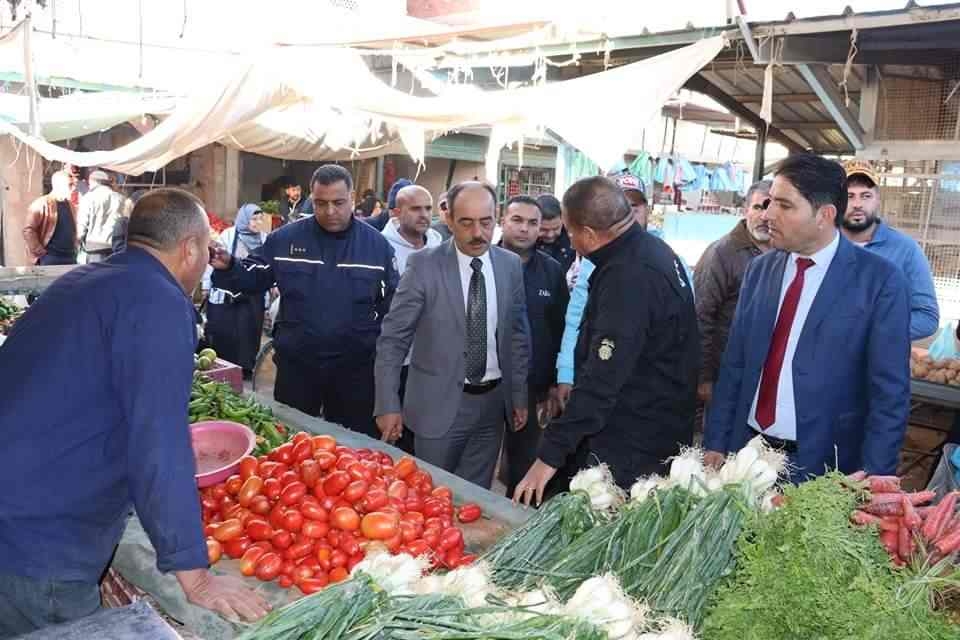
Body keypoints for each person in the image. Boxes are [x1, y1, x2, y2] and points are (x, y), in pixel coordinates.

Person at [0, 189, 269, 636]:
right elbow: (159, 445)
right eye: (205, 249)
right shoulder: (158, 303)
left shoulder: (80, 281)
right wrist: (195, 576)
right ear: (190, 249)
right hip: (42, 545)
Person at [703, 154, 911, 480]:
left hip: (824, 466)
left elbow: (889, 394)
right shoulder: (760, 270)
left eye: (785, 206)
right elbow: (735, 364)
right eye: (770, 202)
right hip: (747, 455)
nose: (769, 215)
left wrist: (876, 477)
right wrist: (716, 440)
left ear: (824, 216)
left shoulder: (879, 281)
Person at [515, 176, 699, 505]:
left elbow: (603, 379)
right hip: (658, 424)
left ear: (587, 233)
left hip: (635, 438)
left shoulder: (628, 275)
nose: (570, 243)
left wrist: (548, 458)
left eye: (570, 233)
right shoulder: (653, 250)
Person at [210, 165, 398, 439]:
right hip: (297, 369)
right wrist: (228, 267)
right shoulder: (285, 240)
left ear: (353, 198)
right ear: (312, 198)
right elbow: (253, 278)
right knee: (291, 442)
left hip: (354, 373)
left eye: (338, 202)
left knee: (351, 448)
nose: (330, 211)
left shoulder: (377, 247)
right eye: (321, 203)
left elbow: (390, 308)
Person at [374, 181, 530, 489]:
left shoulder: (509, 265)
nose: (477, 233)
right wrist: (387, 403)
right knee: (429, 498)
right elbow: (394, 339)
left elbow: (515, 336)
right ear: (448, 220)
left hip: (492, 407)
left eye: (485, 222)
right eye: (466, 223)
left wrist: (518, 395)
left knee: (475, 500)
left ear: (496, 216)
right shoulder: (423, 266)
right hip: (437, 407)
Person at [554, 173, 657, 408]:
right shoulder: (591, 261)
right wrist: (566, 373)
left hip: (641, 391)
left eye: (635, 206)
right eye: (622, 206)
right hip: (598, 377)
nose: (627, 213)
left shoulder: (664, 259)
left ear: (646, 210)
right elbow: (575, 318)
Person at [497, 195, 569, 497]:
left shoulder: (551, 271)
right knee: (477, 461)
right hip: (484, 382)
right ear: (503, 220)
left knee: (523, 462)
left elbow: (561, 329)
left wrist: (554, 382)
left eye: (532, 223)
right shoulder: (482, 262)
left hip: (532, 386)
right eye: (517, 220)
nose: (524, 229)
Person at [694, 180, 773, 407]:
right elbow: (701, 317)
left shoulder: (786, 252)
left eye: (771, 207)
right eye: (758, 207)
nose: (765, 216)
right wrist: (704, 379)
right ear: (745, 209)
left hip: (763, 380)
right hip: (723, 378)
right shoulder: (722, 253)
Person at [842, 160, 939, 340]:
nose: (857, 204)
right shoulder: (823, 245)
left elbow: (927, 318)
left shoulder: (906, 250)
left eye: (866, 196)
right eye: (849, 196)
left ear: (878, 199)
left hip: (874, 364)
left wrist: (871, 331)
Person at [381, 184, 443, 453]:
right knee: (397, 438)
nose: (424, 215)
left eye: (428, 208)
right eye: (415, 208)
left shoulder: (441, 245)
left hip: (433, 361)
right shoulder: (381, 247)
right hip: (399, 361)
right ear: (396, 212)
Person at [204, 204, 269, 377]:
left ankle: (246, 368)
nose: (257, 222)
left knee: (249, 333)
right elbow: (215, 261)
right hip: (228, 296)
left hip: (252, 298)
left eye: (260, 218)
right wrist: (206, 286)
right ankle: (226, 368)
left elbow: (266, 271)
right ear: (244, 219)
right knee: (228, 333)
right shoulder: (229, 235)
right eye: (253, 218)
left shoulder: (265, 239)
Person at [23, 171, 78, 266]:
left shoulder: (70, 205)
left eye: (74, 184)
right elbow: (28, 230)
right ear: (58, 185)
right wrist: (40, 251)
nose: (73, 188)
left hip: (70, 256)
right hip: (51, 257)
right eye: (70, 184)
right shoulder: (42, 203)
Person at [78, 170, 127, 263]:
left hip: (94, 247)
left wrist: (78, 243)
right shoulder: (120, 198)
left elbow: (82, 225)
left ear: (93, 182)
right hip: (114, 246)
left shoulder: (88, 198)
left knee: (95, 276)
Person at [535, 194, 576, 273]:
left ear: (563, 220)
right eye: (543, 230)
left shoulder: (574, 238)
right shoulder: (524, 239)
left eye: (556, 228)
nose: (550, 235)